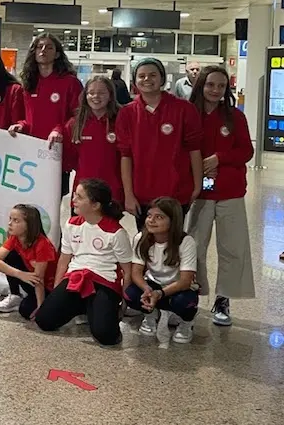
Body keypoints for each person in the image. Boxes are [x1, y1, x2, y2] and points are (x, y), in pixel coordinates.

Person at [186, 65, 254, 327]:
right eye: (210, 84)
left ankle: (223, 298)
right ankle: (192, 293)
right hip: (198, 192)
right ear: (201, 85)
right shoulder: (189, 115)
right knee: (195, 245)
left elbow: (246, 151)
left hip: (230, 191)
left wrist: (219, 159)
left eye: (221, 86)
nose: (215, 90)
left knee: (232, 248)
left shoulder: (236, 117)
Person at [35, 179, 132, 346]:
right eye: (74, 195)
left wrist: (123, 304)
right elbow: (64, 260)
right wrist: (57, 291)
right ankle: (82, 306)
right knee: (44, 321)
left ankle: (97, 307)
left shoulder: (116, 232)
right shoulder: (72, 224)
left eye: (79, 197)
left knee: (106, 337)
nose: (73, 200)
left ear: (95, 205)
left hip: (104, 281)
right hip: (75, 277)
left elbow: (127, 270)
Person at [117, 57, 203, 230]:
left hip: (176, 193)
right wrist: (128, 195)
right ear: (135, 81)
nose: (147, 79)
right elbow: (125, 156)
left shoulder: (184, 109)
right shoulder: (127, 113)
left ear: (162, 78)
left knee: (173, 247)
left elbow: (194, 150)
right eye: (141, 76)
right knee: (146, 247)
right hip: (142, 194)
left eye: (152, 75)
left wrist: (197, 185)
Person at [8, 33, 83, 196]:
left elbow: (78, 115)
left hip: (57, 154)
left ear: (57, 54)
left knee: (52, 203)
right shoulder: (29, 83)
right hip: (31, 155)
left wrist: (59, 130)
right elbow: (26, 118)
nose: (43, 50)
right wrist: (20, 126)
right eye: (39, 47)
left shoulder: (70, 83)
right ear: (33, 53)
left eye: (49, 47)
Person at [124, 197, 199, 344]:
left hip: (176, 288)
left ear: (173, 221)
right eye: (149, 216)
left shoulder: (185, 242)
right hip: (153, 284)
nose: (151, 221)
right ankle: (151, 315)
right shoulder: (141, 238)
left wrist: (160, 294)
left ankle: (186, 322)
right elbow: (136, 272)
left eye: (159, 217)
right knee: (131, 294)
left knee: (184, 302)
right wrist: (146, 290)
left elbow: (185, 281)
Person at [0, 204, 58, 318]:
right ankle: (15, 295)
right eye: (10, 219)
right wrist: (20, 274)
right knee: (9, 256)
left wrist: (40, 307)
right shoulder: (15, 237)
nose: (10, 223)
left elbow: (39, 280)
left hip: (46, 287)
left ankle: (44, 303)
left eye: (16, 220)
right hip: (29, 278)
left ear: (29, 225)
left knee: (26, 311)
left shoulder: (42, 244)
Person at [63, 76, 123, 206]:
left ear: (110, 95)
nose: (96, 96)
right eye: (91, 93)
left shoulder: (121, 120)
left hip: (112, 191)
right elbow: (69, 158)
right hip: (83, 192)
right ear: (85, 95)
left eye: (101, 93)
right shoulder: (75, 123)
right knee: (81, 227)